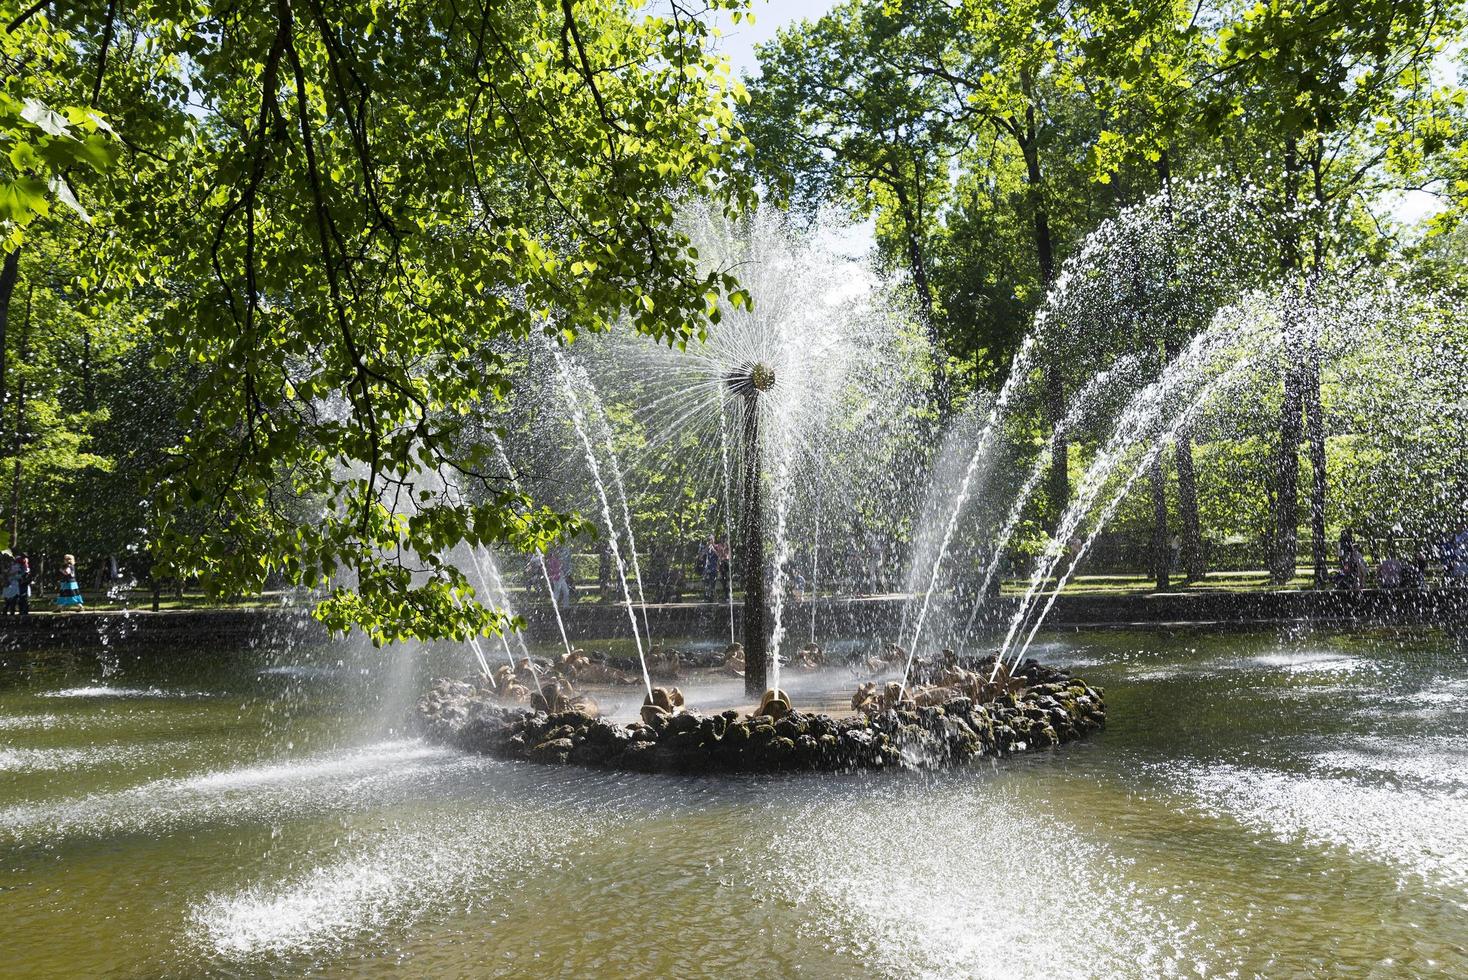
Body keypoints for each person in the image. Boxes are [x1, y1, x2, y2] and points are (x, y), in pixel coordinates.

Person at [699, 533, 719, 601]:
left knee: (713, 583)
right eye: (708, 539)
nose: (710, 540)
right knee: (706, 583)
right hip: (706, 568)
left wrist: (713, 549)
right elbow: (700, 557)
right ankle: (706, 597)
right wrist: (706, 548)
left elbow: (720, 556)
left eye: (711, 539)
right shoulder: (705, 547)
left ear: (714, 540)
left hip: (714, 568)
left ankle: (713, 598)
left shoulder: (717, 546)